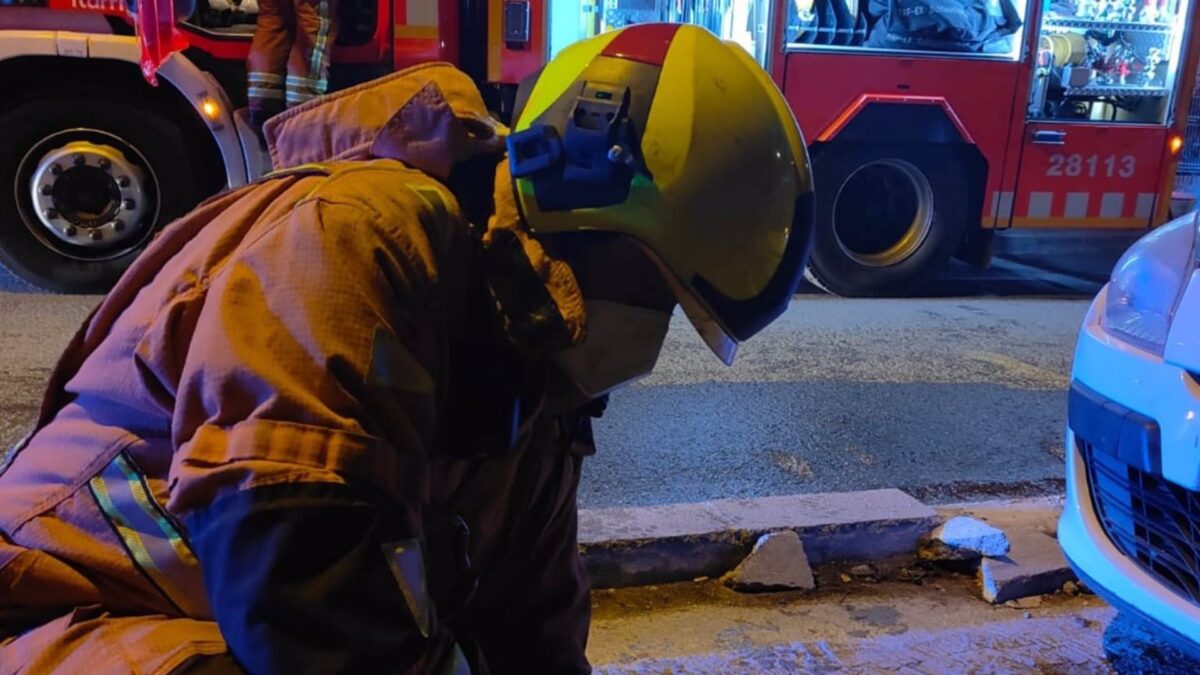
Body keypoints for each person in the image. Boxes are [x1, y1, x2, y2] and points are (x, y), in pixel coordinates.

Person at [0, 24, 813, 674]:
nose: (650, 336)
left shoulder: (529, 383)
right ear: (575, 208)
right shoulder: (351, 245)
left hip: (199, 626)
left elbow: (534, 628)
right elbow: (309, 604)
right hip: (56, 622)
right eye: (654, 291)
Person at [246, 0, 337, 129]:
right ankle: (303, 119)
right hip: (301, 133)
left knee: (272, 22)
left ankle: (263, 114)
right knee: (315, 27)